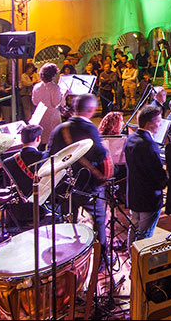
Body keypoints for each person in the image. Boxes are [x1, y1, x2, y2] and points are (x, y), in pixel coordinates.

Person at [47, 93, 113, 267]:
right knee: (99, 221)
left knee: (67, 223)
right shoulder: (89, 129)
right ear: (91, 110)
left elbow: (49, 156)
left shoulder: (60, 128)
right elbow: (99, 154)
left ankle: (67, 262)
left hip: (63, 186)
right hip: (87, 186)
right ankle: (102, 261)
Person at [124, 105, 168, 248]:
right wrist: (167, 179)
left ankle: (132, 259)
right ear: (149, 124)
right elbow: (156, 174)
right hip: (148, 198)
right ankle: (139, 265)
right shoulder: (149, 145)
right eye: (158, 121)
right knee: (145, 235)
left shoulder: (131, 139)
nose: (160, 124)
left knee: (134, 227)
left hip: (134, 194)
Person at [32, 63, 65, 146]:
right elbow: (55, 103)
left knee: (41, 140)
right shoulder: (55, 87)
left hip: (40, 114)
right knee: (52, 139)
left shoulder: (36, 86)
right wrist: (63, 95)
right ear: (53, 75)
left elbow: (34, 102)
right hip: (51, 115)